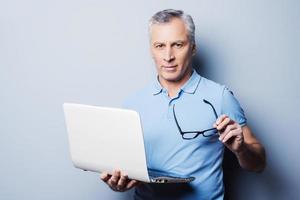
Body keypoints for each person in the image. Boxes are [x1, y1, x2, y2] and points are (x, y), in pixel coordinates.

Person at [100, 9, 266, 200]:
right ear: (151, 50)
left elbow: (259, 164)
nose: (168, 56)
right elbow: (123, 170)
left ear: (193, 47)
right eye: (160, 46)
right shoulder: (132, 104)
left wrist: (241, 149)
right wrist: (118, 184)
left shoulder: (220, 97)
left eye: (177, 44)